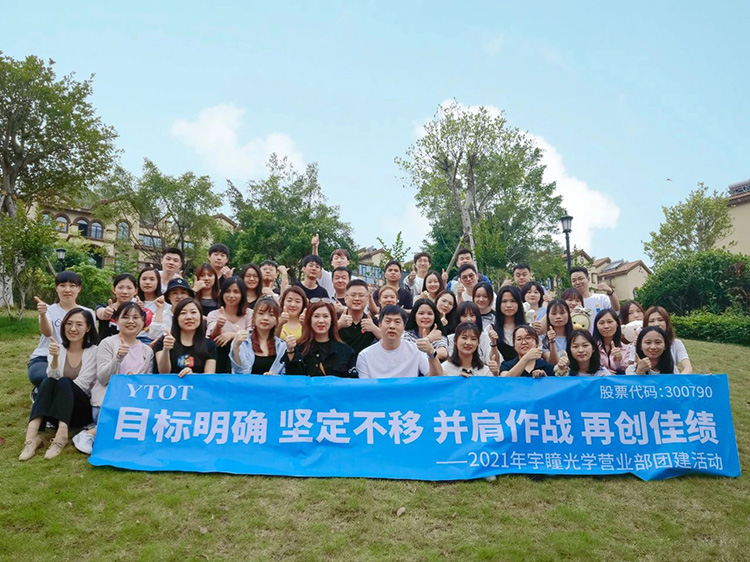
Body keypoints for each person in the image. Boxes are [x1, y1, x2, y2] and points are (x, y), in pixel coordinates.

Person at [19, 308, 98, 461]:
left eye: (79, 324)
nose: (73, 328)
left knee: (64, 381)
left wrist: (61, 387)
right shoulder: (57, 348)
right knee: (48, 381)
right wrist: (55, 358)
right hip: (58, 410)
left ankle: (61, 437)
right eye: (69, 323)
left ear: (88, 327)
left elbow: (84, 384)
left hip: (80, 411)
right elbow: (52, 377)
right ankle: (32, 437)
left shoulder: (94, 351)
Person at [28, 271, 94, 393]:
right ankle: (39, 392)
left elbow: (91, 338)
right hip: (46, 355)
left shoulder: (88, 312)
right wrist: (42, 315)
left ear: (79, 288)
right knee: (44, 377)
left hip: (76, 357)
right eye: (62, 285)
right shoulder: (49, 310)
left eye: (72, 286)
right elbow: (47, 332)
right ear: (56, 288)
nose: (67, 290)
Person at [356, 305, 443, 378]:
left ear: (404, 327)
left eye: (397, 322)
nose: (392, 326)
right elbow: (365, 388)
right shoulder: (365, 356)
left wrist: (431, 353)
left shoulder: (415, 350)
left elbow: (436, 378)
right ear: (380, 325)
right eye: (388, 321)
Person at [284, 301, 357, 377]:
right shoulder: (300, 348)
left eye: (325, 316)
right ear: (309, 320)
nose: (321, 321)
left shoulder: (345, 350)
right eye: (316, 316)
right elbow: (292, 379)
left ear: (332, 320)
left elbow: (352, 381)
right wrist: (290, 351)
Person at [155, 299, 217, 376]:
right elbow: (163, 372)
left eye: (193, 312)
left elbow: (209, 374)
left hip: (197, 383)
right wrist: (166, 349)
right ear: (176, 318)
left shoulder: (209, 345)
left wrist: (193, 376)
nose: (189, 317)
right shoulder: (164, 341)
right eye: (183, 313)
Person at [207, 277, 253, 373]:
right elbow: (212, 337)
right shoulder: (214, 314)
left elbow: (252, 335)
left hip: (243, 358)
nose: (231, 295)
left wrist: (232, 335)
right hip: (219, 360)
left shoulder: (250, 314)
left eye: (236, 292)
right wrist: (218, 326)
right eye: (227, 291)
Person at [231, 297, 287, 375]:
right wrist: (236, 347)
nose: (265, 318)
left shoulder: (282, 346)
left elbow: (284, 374)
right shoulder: (242, 341)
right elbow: (238, 372)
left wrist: (275, 376)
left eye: (271, 315)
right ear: (254, 317)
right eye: (261, 313)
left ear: (277, 320)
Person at [446, 301, 500, 368]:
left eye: (472, 315)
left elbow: (493, 361)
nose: (468, 319)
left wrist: (493, 343)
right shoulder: (450, 338)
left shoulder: (484, 337)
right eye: (464, 316)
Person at [641, 306, 693, 373]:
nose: (656, 324)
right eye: (651, 321)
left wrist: (678, 378)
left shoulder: (676, 343)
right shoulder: (638, 344)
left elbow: (688, 368)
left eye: (660, 320)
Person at [337, 279, 381, 356]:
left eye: (361, 295)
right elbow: (320, 337)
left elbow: (388, 341)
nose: (357, 298)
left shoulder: (371, 320)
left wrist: (373, 328)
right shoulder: (336, 318)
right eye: (353, 295)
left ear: (367, 299)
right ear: (346, 298)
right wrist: (339, 325)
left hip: (365, 362)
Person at [95, 273, 138, 342]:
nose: (125, 292)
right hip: (105, 348)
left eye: (129, 288)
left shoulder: (138, 312)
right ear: (114, 289)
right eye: (120, 287)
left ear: (135, 291)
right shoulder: (105, 307)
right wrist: (105, 313)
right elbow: (100, 313)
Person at [135, 266, 169, 344]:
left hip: (156, 341)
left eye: (152, 279)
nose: (147, 282)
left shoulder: (164, 303)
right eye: (144, 279)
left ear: (158, 282)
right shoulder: (133, 302)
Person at [493, 286, 526, 361]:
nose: (509, 305)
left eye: (513, 301)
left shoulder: (528, 328)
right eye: (504, 301)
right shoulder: (491, 329)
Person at [592, 309, 628, 374]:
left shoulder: (627, 348)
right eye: (601, 323)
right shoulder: (592, 348)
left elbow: (630, 371)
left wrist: (619, 360)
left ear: (617, 323)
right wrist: (602, 371)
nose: (606, 326)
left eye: (610, 322)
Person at [542, 299, 572, 365]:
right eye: (554, 314)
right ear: (548, 316)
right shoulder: (543, 339)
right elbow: (552, 362)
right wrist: (552, 342)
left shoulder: (575, 336)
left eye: (562, 313)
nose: (558, 317)